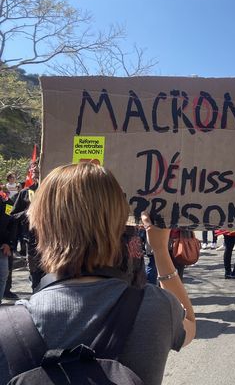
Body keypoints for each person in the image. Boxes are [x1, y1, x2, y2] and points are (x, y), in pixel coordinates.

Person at [0, 163, 195, 385]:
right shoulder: (157, 307)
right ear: (120, 221)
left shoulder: (6, 327)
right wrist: (160, 251)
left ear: (41, 224)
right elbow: (189, 324)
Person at [9, 162, 42, 290]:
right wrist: (27, 213)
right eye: (33, 170)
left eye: (38, 168)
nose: (35, 171)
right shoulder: (25, 193)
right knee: (35, 275)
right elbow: (13, 215)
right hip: (32, 239)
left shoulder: (53, 190)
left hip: (53, 240)